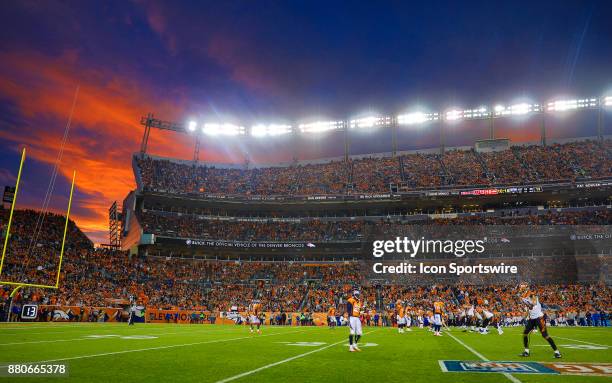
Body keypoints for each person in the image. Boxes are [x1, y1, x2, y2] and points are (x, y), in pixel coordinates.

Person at [519, 284, 561, 358]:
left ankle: (557, 352)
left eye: (522, 288)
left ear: (525, 288)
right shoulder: (523, 297)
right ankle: (526, 351)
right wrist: (525, 316)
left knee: (545, 335)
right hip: (532, 318)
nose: (521, 289)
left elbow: (534, 303)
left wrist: (528, 303)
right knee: (525, 333)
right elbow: (529, 308)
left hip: (539, 317)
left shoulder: (532, 295)